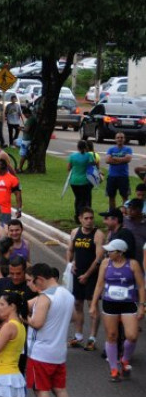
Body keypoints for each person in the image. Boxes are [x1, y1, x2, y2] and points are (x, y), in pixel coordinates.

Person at [22, 263, 75, 397]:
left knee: (41, 391)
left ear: (40, 279)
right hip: (59, 352)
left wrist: (23, 318)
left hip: (41, 353)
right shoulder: (67, 294)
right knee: (60, 390)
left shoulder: (45, 298)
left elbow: (36, 323)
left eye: (31, 282)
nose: (31, 286)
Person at [91, 239, 145, 381]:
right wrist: (93, 304)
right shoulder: (105, 263)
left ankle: (125, 360)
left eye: (111, 251)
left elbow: (141, 286)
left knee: (132, 336)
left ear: (121, 252)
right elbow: (99, 285)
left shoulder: (132, 264)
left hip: (128, 304)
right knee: (112, 335)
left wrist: (142, 305)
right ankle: (114, 370)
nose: (108, 253)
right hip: (110, 304)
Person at [67, 207, 103, 350]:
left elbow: (99, 258)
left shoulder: (98, 234)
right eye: (86, 218)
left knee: (92, 306)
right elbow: (70, 249)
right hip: (77, 274)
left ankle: (92, 338)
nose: (89, 221)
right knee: (77, 304)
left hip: (92, 276)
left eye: (91, 218)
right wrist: (70, 263)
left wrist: (87, 275)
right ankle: (78, 335)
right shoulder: (75, 232)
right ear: (80, 219)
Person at [67, 140, 96, 218]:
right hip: (85, 181)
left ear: (77, 147)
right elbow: (93, 166)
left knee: (78, 198)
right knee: (86, 199)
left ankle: (77, 215)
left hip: (74, 181)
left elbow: (69, 168)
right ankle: (85, 216)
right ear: (86, 147)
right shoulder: (89, 156)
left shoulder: (72, 156)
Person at [105, 132, 133, 210]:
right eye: (118, 137)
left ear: (124, 139)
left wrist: (114, 158)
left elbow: (128, 159)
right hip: (112, 177)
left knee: (125, 196)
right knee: (111, 196)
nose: (120, 139)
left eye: (121, 137)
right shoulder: (111, 149)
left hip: (123, 177)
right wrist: (122, 160)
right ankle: (112, 213)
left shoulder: (128, 149)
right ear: (115, 139)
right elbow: (107, 160)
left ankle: (125, 214)